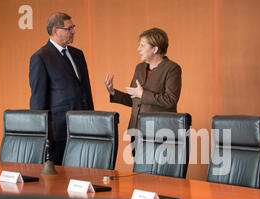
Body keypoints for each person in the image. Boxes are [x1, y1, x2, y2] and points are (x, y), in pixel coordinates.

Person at [29, 12, 94, 165]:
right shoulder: (41, 57)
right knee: (59, 180)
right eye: (69, 28)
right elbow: (38, 101)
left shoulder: (78, 54)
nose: (73, 31)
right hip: (59, 134)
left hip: (84, 128)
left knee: (84, 173)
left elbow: (85, 91)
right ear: (55, 31)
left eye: (73, 27)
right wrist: (43, 136)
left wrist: (92, 120)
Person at [105, 27, 182, 155]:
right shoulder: (139, 68)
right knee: (139, 171)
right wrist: (113, 92)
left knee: (160, 173)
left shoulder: (172, 69)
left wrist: (142, 94)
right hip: (136, 130)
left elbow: (170, 100)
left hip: (160, 131)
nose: (138, 49)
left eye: (142, 45)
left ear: (155, 49)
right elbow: (134, 100)